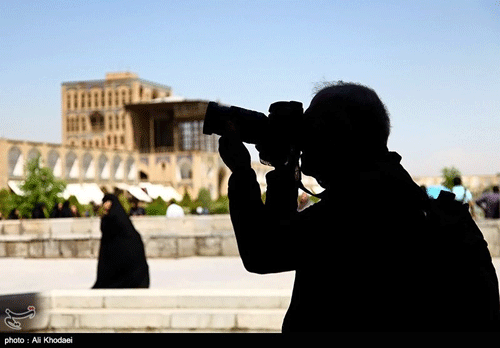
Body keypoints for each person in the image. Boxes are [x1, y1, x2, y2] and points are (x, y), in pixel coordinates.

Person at [218, 81, 500, 332]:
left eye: (311, 130)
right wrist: (284, 167)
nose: (303, 142)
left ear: (337, 138)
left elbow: (263, 253)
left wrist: (243, 172)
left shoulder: (355, 211)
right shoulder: (428, 208)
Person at [92, 194, 150, 289]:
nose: (105, 205)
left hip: (124, 248)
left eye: (107, 202)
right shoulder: (115, 215)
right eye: (104, 202)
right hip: (116, 248)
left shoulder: (115, 215)